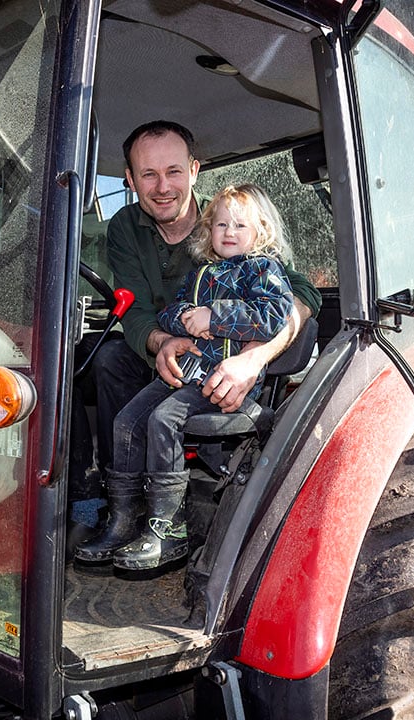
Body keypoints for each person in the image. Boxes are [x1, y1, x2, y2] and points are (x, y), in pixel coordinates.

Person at [70, 120, 321, 539]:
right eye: (148, 174)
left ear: (194, 170)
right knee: (101, 357)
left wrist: (252, 359)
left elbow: (301, 294)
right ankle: (115, 505)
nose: (163, 186)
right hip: (162, 353)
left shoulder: (229, 222)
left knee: (156, 400)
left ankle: (167, 514)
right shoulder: (124, 228)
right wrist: (163, 340)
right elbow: (133, 310)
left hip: (217, 363)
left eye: (173, 171)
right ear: (130, 180)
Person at [77, 184, 296, 569]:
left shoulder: (264, 269)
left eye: (240, 225)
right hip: (187, 371)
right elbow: (170, 310)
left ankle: (168, 530)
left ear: (260, 231)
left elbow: (273, 316)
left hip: (220, 381)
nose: (229, 232)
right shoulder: (203, 273)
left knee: (164, 420)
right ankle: (124, 519)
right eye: (221, 224)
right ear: (209, 230)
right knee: (127, 421)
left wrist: (215, 317)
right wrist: (181, 320)